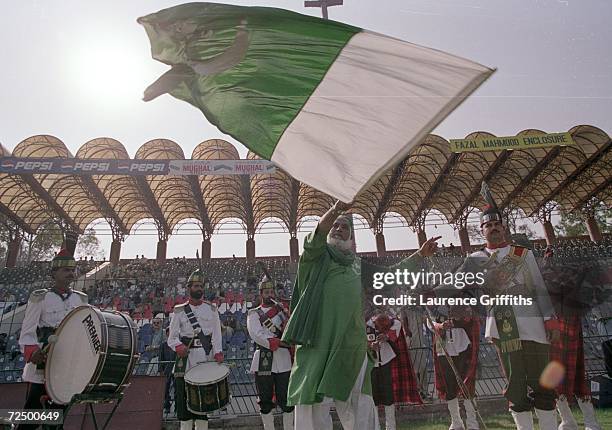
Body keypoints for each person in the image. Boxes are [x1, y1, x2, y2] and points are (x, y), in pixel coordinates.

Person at [282, 200, 439, 430]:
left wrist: (419, 255)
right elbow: (316, 237)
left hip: (351, 342)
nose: (338, 228)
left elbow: (390, 275)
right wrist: (336, 209)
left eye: (344, 227)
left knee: (359, 404)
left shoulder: (358, 265)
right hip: (316, 340)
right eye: (335, 225)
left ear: (351, 238)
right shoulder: (316, 256)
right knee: (312, 403)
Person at [465, 203, 558, 430]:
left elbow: (538, 287)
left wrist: (550, 319)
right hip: (501, 327)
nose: (494, 228)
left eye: (497, 224)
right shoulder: (475, 259)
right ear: (482, 230)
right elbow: (455, 284)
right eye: (489, 225)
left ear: (503, 228)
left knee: (543, 382)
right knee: (516, 384)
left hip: (533, 324)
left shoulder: (522, 254)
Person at [17, 249, 88, 430]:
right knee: (32, 416)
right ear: (53, 273)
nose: (70, 273)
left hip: (68, 364)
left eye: (72, 270)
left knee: (57, 418)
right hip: (45, 362)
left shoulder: (81, 300)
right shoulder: (40, 298)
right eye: (65, 270)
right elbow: (27, 330)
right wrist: (32, 352)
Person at [541, 249, 602, 430]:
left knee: (574, 374)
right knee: (556, 378)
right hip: (551, 325)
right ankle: (569, 420)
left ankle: (589, 421)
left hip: (565, 323)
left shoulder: (565, 274)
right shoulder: (544, 272)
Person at [168, 269, 223, 430]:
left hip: (204, 357)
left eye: (201, 286)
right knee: (184, 400)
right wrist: (178, 346)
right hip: (185, 358)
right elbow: (171, 337)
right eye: (195, 285)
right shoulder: (179, 310)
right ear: (189, 288)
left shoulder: (211, 309)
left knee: (203, 401)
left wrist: (218, 352)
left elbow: (217, 334)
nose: (199, 288)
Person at [247, 276, 293, 430]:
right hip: (263, 359)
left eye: (271, 291)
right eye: (266, 292)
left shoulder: (283, 311)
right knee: (265, 400)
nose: (270, 294)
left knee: (286, 399)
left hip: (284, 359)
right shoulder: (254, 313)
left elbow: (290, 330)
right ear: (261, 294)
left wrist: (287, 314)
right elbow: (255, 333)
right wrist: (274, 341)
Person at [366, 312, 422, 430]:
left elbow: (394, 333)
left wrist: (386, 337)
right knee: (373, 396)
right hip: (371, 363)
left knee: (388, 396)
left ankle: (391, 427)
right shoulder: (366, 323)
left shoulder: (394, 322)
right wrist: (370, 346)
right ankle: (375, 426)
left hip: (386, 361)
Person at [428, 304, 480, 430]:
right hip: (444, 348)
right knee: (449, 387)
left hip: (462, 346)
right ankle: (456, 422)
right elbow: (430, 322)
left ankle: (472, 423)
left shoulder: (463, 300)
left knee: (467, 386)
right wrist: (441, 326)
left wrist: (458, 317)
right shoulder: (434, 303)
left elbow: (472, 319)